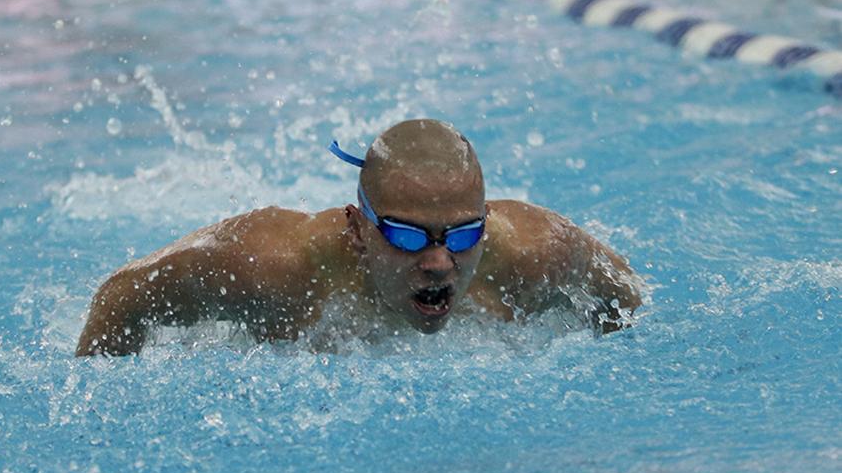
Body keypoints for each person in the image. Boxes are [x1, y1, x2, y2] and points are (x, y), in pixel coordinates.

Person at [75, 119, 642, 356]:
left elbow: (627, 300)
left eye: (463, 235)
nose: (440, 263)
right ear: (357, 229)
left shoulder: (537, 251)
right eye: (406, 236)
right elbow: (123, 294)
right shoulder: (270, 269)